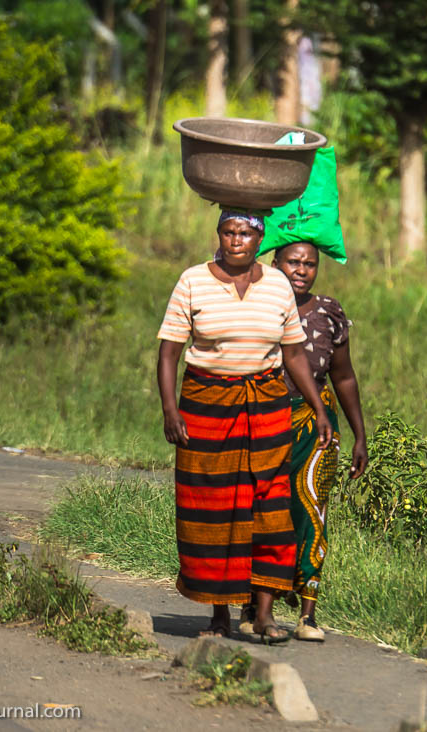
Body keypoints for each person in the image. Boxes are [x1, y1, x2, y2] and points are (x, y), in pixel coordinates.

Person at [156, 211, 332, 644]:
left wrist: (320, 409)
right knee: (216, 509)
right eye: (230, 232)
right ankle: (220, 613)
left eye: (247, 233)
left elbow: (293, 355)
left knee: (270, 510)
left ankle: (265, 615)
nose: (238, 240)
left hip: (268, 408)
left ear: (260, 239)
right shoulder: (193, 281)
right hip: (208, 408)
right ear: (218, 234)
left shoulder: (275, 285)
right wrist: (169, 410)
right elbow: (168, 354)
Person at [271, 240, 368, 642]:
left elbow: (343, 376)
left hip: (317, 424)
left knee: (312, 510)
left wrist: (360, 434)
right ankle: (257, 606)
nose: (301, 269)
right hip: (266, 418)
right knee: (265, 511)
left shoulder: (328, 312)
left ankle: (307, 614)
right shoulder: (260, 305)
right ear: (274, 262)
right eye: (292, 261)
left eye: (309, 264)